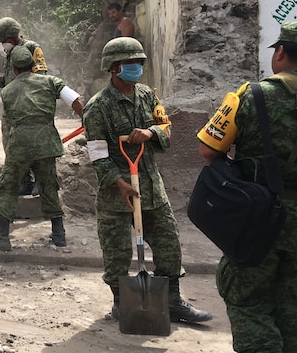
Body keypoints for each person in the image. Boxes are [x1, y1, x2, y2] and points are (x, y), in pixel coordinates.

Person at [196, 22, 297, 353]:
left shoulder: (250, 95)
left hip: (263, 218)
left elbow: (208, 149)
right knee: (296, 302)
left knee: (247, 297)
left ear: (280, 54)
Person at [82, 36, 212, 324]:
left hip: (151, 187)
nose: (137, 67)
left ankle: (173, 301)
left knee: (169, 243)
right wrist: (120, 182)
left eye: (140, 62)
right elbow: (97, 154)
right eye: (131, 63)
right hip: (116, 194)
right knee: (117, 252)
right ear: (114, 67)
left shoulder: (147, 96)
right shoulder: (97, 107)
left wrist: (151, 133)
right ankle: (121, 303)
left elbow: (165, 127)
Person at [0, 46, 83, 251]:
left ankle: (2, 237)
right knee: (48, 186)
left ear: (14, 68)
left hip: (20, 144)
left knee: (8, 186)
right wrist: (86, 119)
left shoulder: (8, 91)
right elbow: (75, 100)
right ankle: (59, 234)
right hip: (47, 142)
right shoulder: (50, 82)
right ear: (34, 65)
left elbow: (10, 121)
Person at [0, 17, 50, 195]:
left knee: (34, 145)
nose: (3, 46)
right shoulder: (9, 54)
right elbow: (9, 78)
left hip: (28, 107)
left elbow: (41, 77)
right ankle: (25, 180)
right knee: (10, 145)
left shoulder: (32, 48)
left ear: (13, 36)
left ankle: (41, 182)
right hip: (10, 109)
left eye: (4, 41)